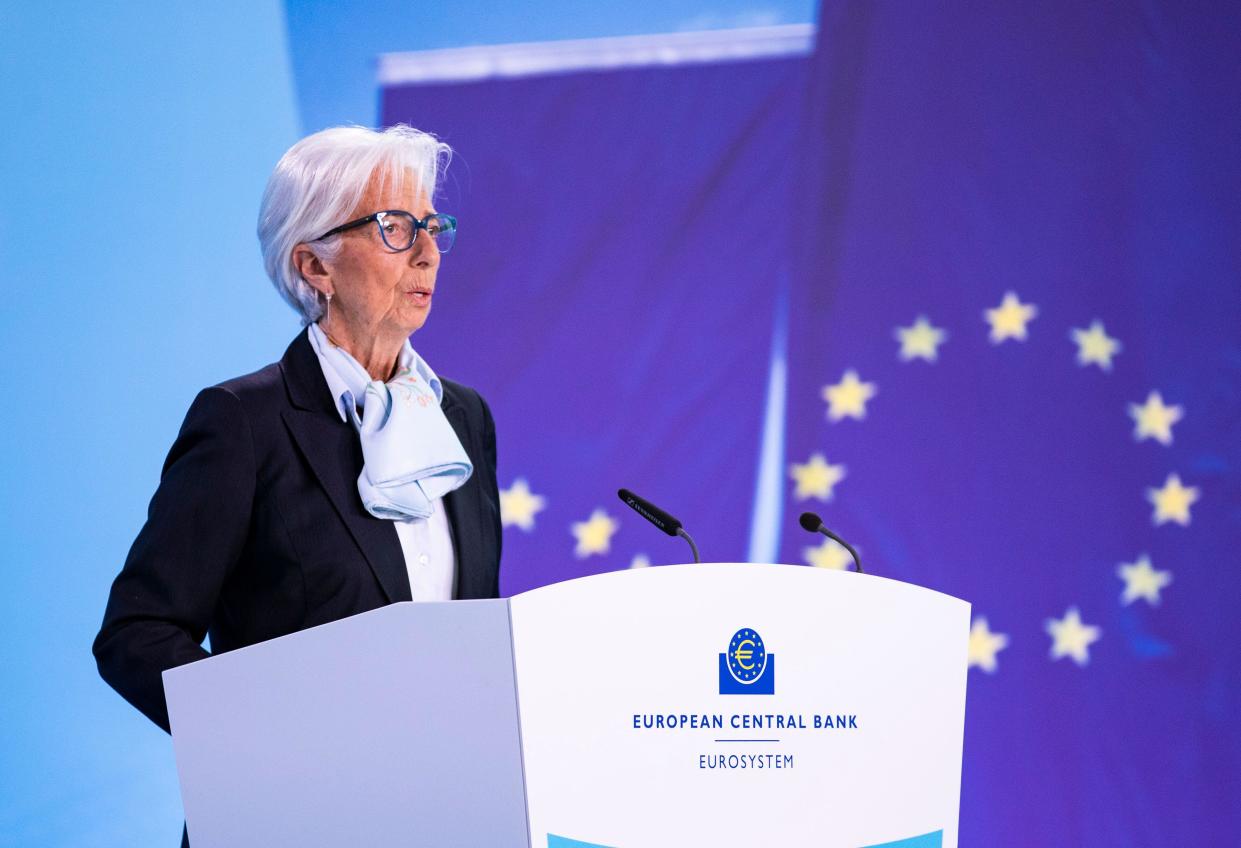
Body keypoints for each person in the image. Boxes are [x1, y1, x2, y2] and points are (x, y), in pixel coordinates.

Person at [93, 125, 501, 845]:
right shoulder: (243, 422)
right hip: (284, 821)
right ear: (314, 265)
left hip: (438, 819)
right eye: (395, 227)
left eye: (432, 226)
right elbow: (137, 633)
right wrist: (267, 744)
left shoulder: (462, 418)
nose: (430, 251)